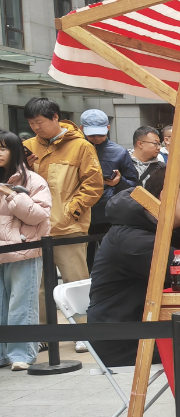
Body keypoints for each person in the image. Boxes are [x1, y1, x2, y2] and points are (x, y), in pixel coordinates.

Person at [87, 167, 180, 368]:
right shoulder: (131, 237)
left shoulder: (154, 229)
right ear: (166, 195)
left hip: (147, 327)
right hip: (124, 341)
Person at [22, 97, 103, 324]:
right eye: (31, 123)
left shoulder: (81, 146)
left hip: (68, 228)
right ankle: (43, 333)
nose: (36, 127)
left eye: (39, 122)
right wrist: (25, 167)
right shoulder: (27, 146)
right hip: (33, 228)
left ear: (55, 117)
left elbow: (93, 185)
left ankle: (83, 331)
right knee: (37, 286)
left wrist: (71, 212)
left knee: (75, 282)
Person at [0, 131, 50, 371]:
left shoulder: (33, 181)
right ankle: (2, 355)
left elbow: (39, 216)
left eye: (3, 148)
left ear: (15, 151)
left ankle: (21, 354)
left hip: (23, 250)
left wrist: (12, 195)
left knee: (22, 303)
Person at [81, 110, 137, 269]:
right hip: (81, 213)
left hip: (109, 215)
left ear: (108, 128)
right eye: (92, 135)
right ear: (81, 129)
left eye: (100, 134)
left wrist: (119, 182)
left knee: (111, 261)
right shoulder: (75, 150)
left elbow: (134, 184)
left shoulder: (119, 152)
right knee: (84, 262)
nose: (96, 138)